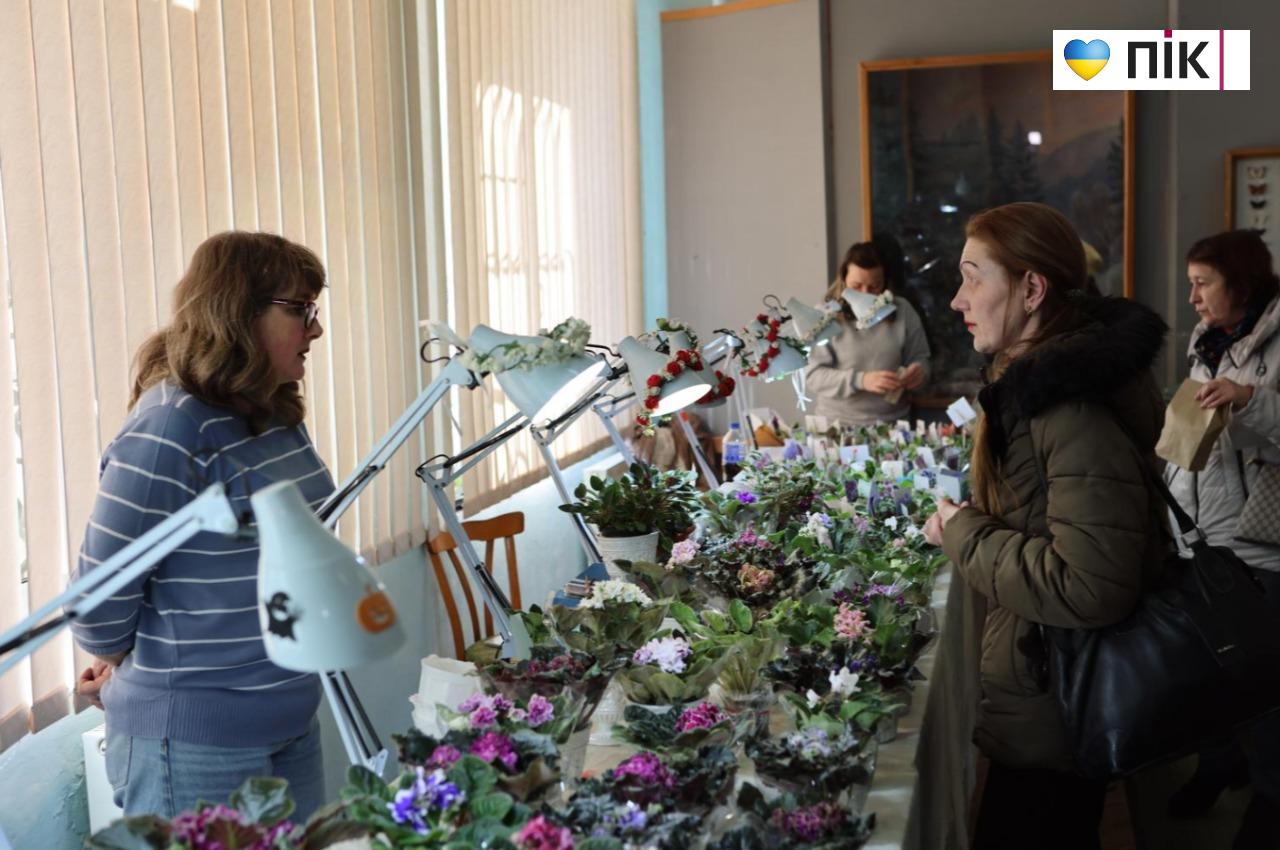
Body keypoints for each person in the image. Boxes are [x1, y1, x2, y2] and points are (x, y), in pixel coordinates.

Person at [921, 202, 1170, 850]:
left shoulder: (1067, 405)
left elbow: (1090, 585)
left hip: (1060, 702)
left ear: (1031, 289)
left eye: (973, 277)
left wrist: (963, 532)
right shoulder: (1040, 388)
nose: (957, 300)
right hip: (1048, 693)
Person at [71, 232, 334, 819]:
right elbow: (97, 599)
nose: (316, 328)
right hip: (194, 742)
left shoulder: (272, 413)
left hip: (288, 714)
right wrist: (125, 658)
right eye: (301, 309)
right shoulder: (173, 425)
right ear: (239, 312)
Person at [1162, 229, 1280, 850]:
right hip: (1201, 532)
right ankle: (1218, 766)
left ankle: (1270, 799)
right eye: (1191, 284)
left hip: (1261, 538)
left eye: (1202, 283)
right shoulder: (1205, 341)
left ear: (1241, 281)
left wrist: (1249, 399)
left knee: (1263, 681)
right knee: (1208, 669)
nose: (1193, 298)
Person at [804, 241, 931, 427]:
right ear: (843, 279)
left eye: (874, 286)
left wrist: (919, 372)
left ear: (885, 283)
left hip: (893, 425)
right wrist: (861, 380)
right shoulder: (825, 316)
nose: (865, 294)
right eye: (856, 286)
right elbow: (813, 376)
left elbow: (921, 359)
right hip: (837, 425)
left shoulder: (903, 310)